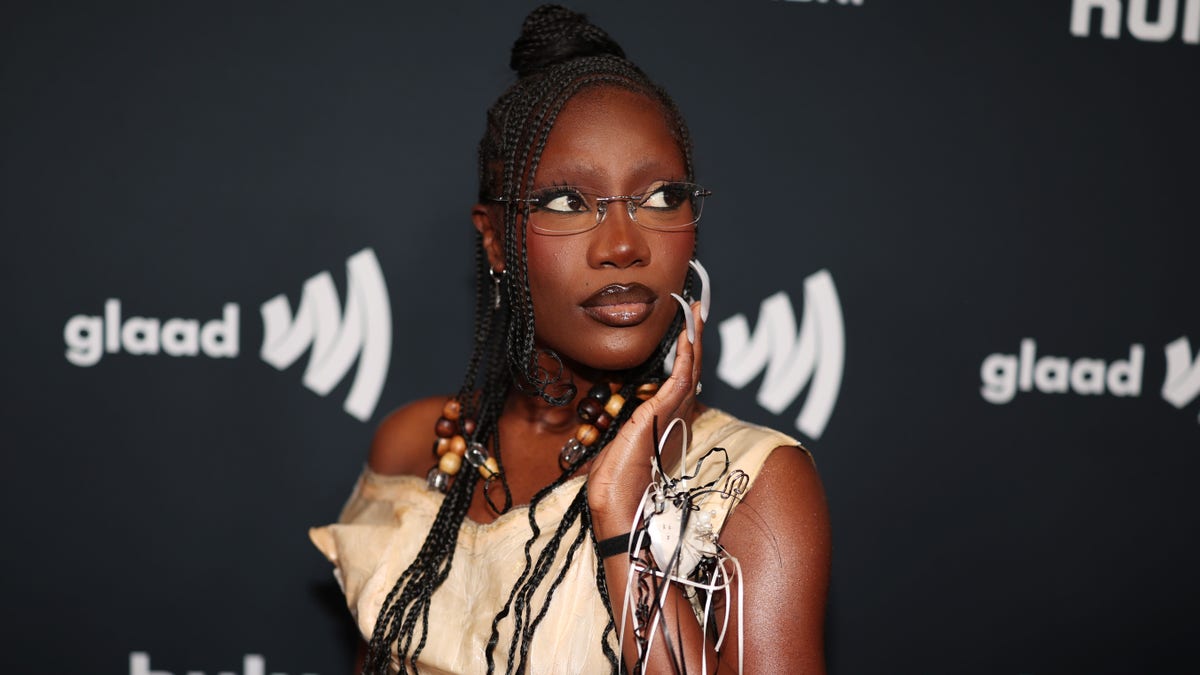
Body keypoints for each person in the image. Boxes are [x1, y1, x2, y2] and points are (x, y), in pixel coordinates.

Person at [310, 5, 830, 674]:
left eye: (662, 196)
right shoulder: (417, 446)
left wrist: (623, 519)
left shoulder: (753, 483)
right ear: (495, 239)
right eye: (566, 202)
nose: (623, 245)